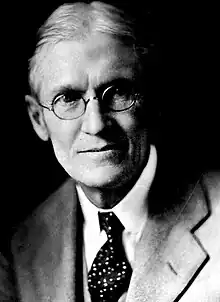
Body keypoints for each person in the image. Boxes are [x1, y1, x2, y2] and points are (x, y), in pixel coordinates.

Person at [9, 1, 220, 301]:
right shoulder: (19, 248)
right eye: (68, 98)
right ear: (37, 119)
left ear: (152, 99)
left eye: (118, 92)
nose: (95, 125)